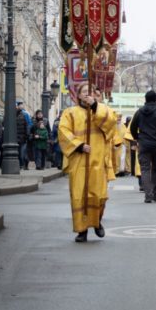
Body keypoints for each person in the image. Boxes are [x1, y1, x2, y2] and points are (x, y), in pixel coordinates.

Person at [58, 85, 117, 241]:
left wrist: (95, 106)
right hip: (79, 159)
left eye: (90, 92)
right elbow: (63, 132)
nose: (87, 95)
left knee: (99, 194)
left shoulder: (102, 110)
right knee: (79, 195)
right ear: (78, 95)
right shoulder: (70, 112)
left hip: (98, 159)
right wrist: (78, 145)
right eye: (84, 92)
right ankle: (82, 230)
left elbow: (111, 124)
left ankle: (97, 222)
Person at [130, 90, 156, 203]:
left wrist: (137, 137)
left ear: (145, 99)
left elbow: (132, 128)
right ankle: (155, 195)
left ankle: (148, 195)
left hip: (144, 144)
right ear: (155, 99)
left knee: (145, 169)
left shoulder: (139, 112)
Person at [16, 100, 30, 170]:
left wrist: (27, 135)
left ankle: (24, 164)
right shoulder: (12, 114)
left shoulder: (25, 114)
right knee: (18, 153)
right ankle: (20, 165)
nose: (21, 106)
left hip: (23, 137)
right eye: (20, 105)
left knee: (22, 153)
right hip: (15, 138)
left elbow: (28, 125)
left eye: (22, 105)